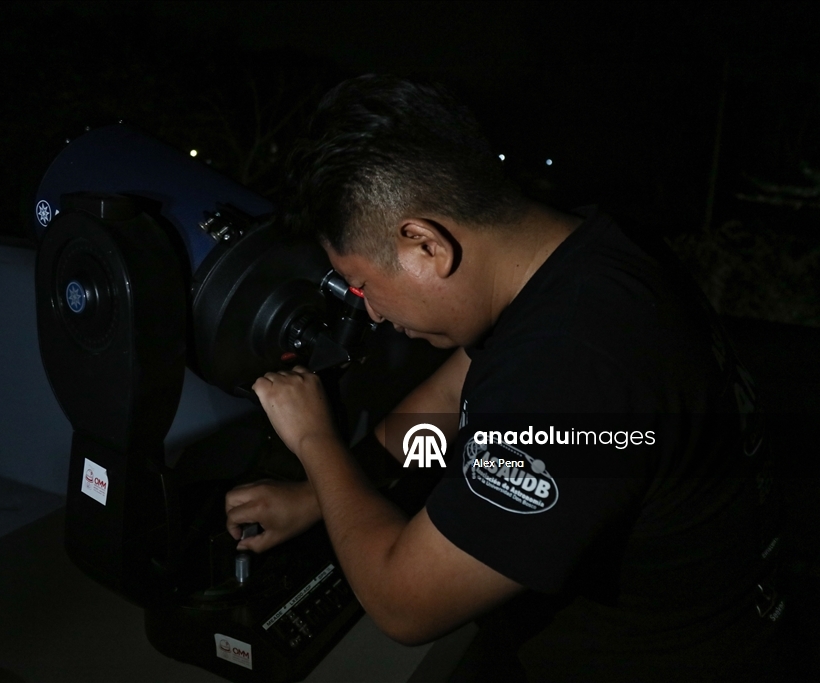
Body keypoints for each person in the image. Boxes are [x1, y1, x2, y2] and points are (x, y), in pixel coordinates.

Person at [224, 76, 782, 681]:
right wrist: (326, 493)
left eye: (363, 285)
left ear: (424, 245)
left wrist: (317, 445)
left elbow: (403, 604)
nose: (374, 314)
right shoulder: (583, 257)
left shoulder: (572, 371)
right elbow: (449, 397)